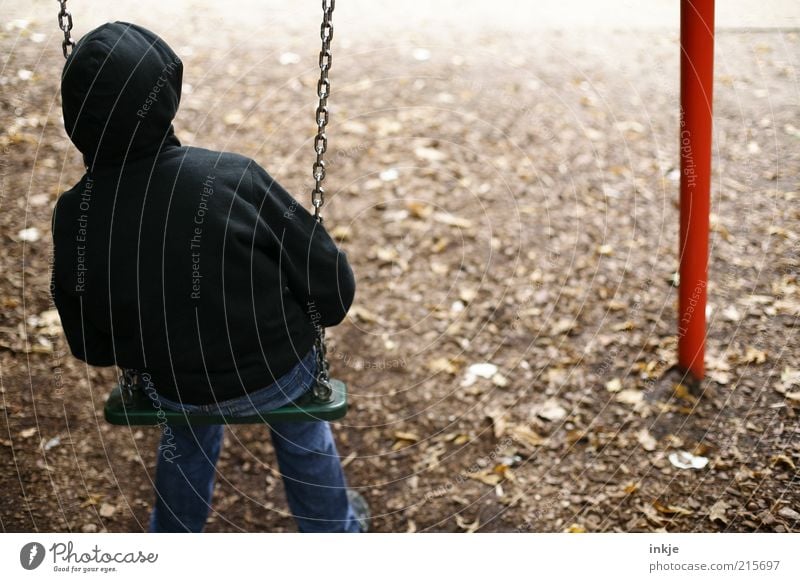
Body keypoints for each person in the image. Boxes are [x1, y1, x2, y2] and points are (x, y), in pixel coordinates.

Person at [51, 21, 367, 533]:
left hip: (174, 387)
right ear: (167, 93)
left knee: (186, 435)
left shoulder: (75, 213)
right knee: (304, 430)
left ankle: (174, 540)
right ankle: (333, 532)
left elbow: (91, 342)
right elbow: (327, 276)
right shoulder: (230, 177)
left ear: (75, 117)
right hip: (278, 372)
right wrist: (317, 315)